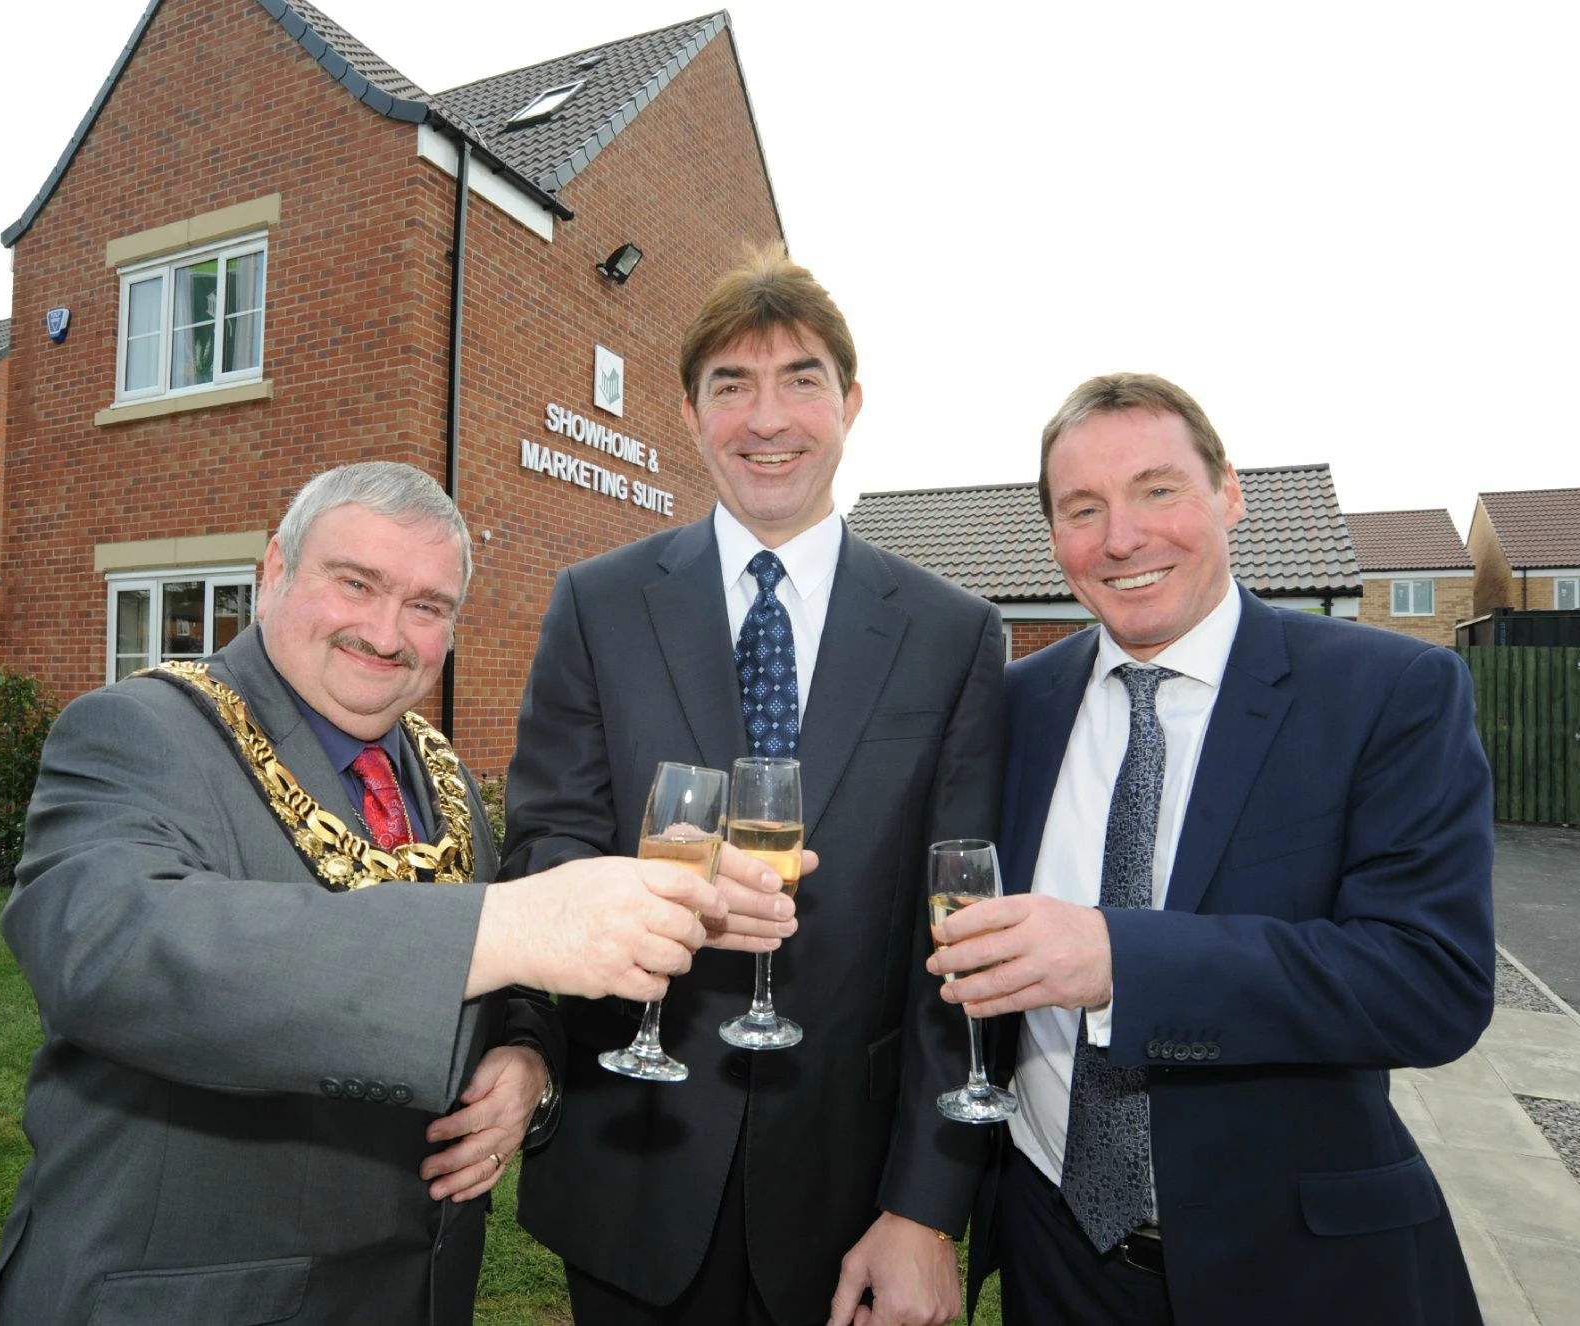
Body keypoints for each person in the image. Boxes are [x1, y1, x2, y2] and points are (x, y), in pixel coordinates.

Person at [0, 462, 729, 1326]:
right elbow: (109, 950)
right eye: (355, 584)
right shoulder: (138, 729)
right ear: (274, 572)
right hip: (196, 1296)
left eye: (427, 606)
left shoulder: (432, 767)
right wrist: (508, 924)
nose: (387, 633)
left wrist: (527, 1060)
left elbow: (506, 982)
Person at [504, 245, 1009, 1326]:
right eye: (731, 385)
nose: (766, 418)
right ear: (690, 414)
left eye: (801, 381)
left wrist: (926, 1208)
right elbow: (542, 844)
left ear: (851, 402)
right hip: (634, 1163)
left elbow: (961, 936)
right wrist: (653, 896)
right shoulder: (596, 606)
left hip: (850, 1190)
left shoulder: (954, 636)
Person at [931, 373, 1493, 1325]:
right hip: (1052, 1254)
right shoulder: (1014, 705)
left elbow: (1431, 982)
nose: (1122, 537)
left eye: (1158, 490)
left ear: (1230, 494)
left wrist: (1121, 959)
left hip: (1294, 1270)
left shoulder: (1389, 691)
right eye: (1083, 509)